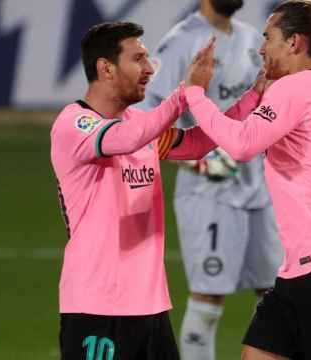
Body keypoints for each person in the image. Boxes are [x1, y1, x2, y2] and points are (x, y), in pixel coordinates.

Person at [183, 1, 311, 359]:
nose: (262, 48)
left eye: (269, 37)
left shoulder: (296, 88)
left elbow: (243, 144)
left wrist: (195, 93)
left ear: (294, 43)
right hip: (303, 267)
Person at [50, 22, 245, 360]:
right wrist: (185, 93)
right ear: (105, 68)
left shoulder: (139, 123)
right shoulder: (75, 123)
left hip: (151, 308)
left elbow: (197, 143)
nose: (149, 68)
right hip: (98, 308)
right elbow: (125, 140)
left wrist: (255, 97)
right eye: (138, 58)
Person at [139, 2, 282, 358]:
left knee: (277, 294)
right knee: (208, 297)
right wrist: (193, 163)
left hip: (260, 189)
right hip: (208, 193)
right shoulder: (180, 43)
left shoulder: (253, 38)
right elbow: (143, 118)